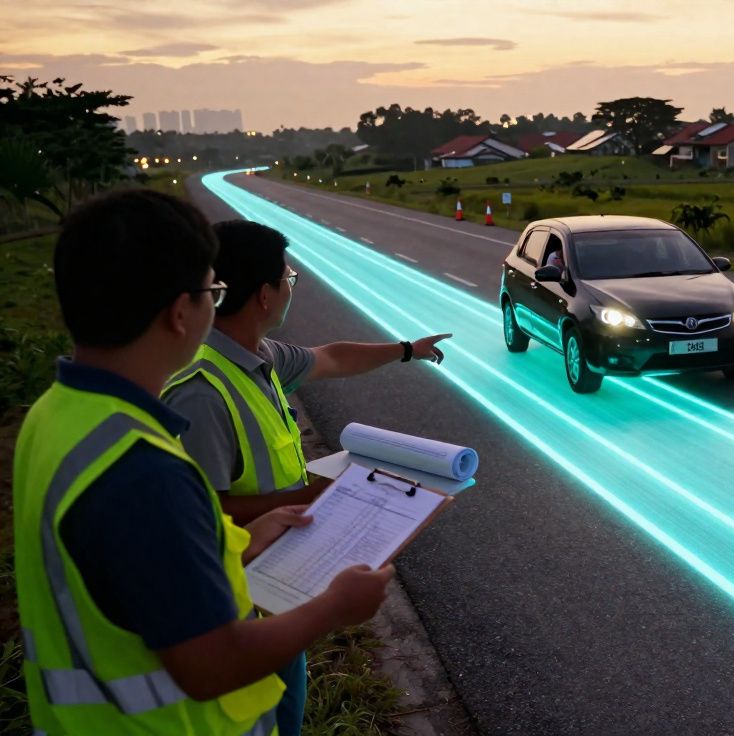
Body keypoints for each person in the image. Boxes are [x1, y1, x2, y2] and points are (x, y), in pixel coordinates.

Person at [14, 189, 392, 736]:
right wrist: (335, 607)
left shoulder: (57, 415)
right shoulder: (143, 468)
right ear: (179, 312)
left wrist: (239, 538)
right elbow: (211, 663)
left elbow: (126, 570)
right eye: (213, 291)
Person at [162, 219, 449, 735]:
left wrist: (409, 349)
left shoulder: (259, 357)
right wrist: (315, 494)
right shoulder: (202, 392)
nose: (293, 284)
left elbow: (333, 356)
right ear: (266, 295)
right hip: (238, 606)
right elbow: (195, 514)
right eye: (289, 276)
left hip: (279, 587)